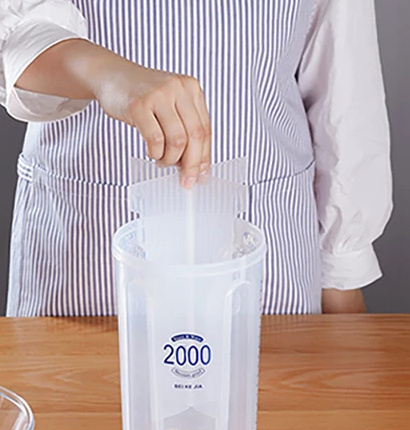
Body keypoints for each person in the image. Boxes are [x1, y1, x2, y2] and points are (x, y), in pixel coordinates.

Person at [0, 0, 392, 317]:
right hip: (82, 261)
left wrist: (342, 271)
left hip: (270, 266)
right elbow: (14, 29)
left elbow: (342, 80)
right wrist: (106, 74)